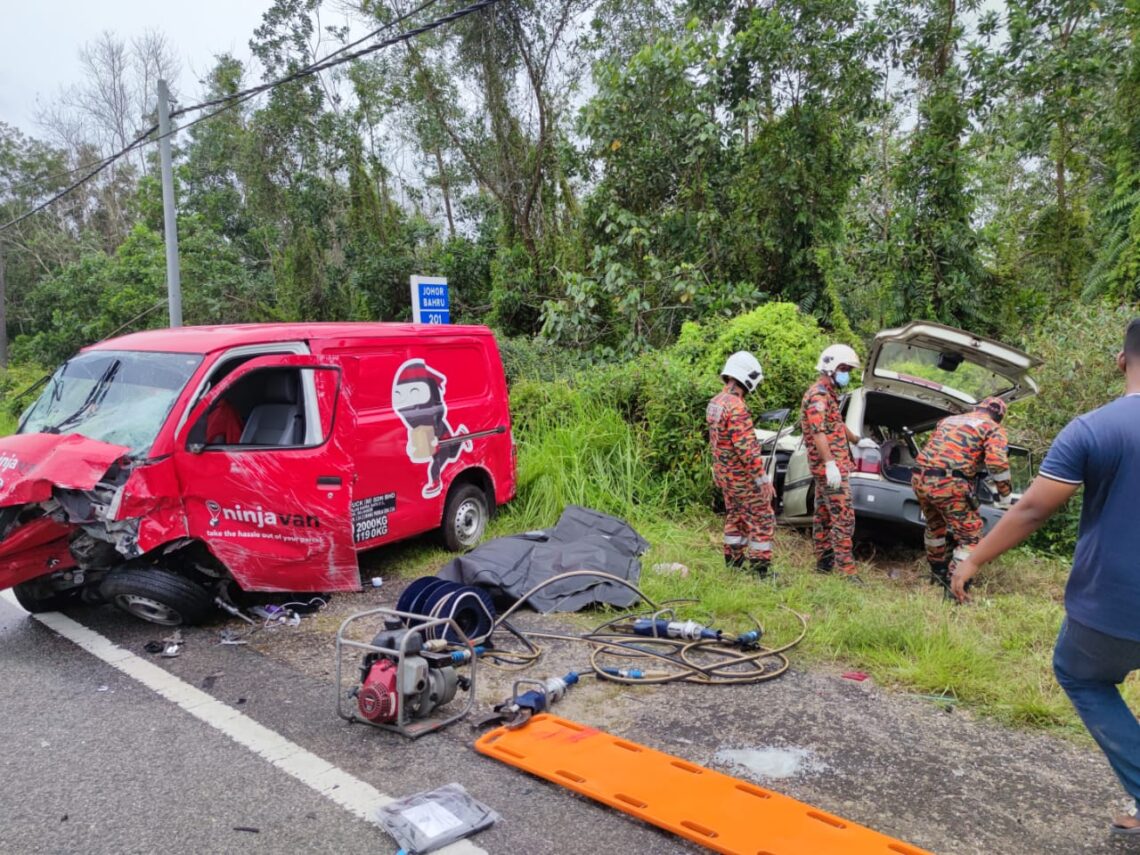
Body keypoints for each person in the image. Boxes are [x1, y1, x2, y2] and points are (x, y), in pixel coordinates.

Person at [952, 318, 1140, 837]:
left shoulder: (1094, 428)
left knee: (1080, 673)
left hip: (1114, 606)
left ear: (1122, 360)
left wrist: (971, 560)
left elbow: (1033, 510)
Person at [912, 396, 1011, 597]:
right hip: (949, 483)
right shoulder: (992, 427)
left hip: (919, 478)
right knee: (971, 537)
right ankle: (956, 588)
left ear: (978, 408)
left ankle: (937, 574)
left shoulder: (948, 420)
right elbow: (998, 463)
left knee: (934, 527)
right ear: (999, 416)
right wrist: (1005, 497)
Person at [801, 343, 872, 579]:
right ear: (831, 367)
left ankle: (824, 562)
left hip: (831, 468)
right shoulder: (818, 395)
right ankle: (846, 570)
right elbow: (818, 431)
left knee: (822, 515)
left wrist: (857, 440)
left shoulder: (828, 395)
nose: (847, 374)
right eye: (845, 369)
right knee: (843, 518)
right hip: (831, 469)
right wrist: (830, 464)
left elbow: (836, 425)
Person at [706, 351, 776, 579]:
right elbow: (745, 449)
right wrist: (762, 479)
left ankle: (734, 564)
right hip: (742, 477)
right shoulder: (737, 406)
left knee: (735, 516)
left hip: (725, 475)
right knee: (762, 517)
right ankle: (760, 571)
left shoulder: (715, 402)